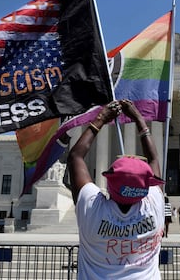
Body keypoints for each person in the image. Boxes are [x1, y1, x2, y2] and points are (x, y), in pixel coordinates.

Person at [67, 99, 165, 279]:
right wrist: (139, 119)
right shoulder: (154, 205)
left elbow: (75, 157)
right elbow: (155, 161)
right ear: (146, 186)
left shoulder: (92, 210)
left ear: (109, 185)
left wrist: (101, 119)